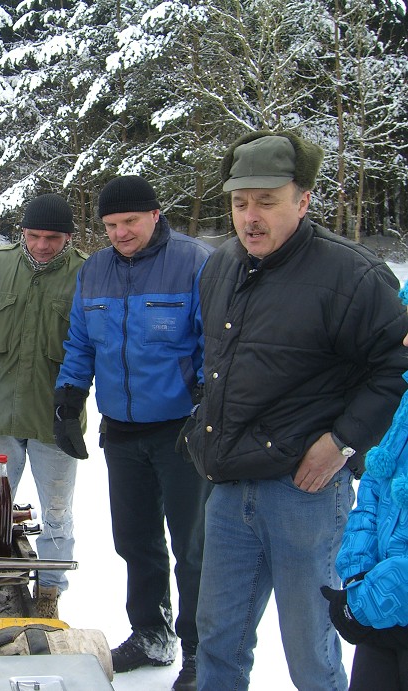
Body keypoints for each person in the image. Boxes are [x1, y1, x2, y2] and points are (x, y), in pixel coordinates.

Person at [181, 131, 408, 691]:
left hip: (306, 493)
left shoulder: (353, 276)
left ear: (303, 200)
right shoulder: (220, 266)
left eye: (266, 201)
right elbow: (216, 361)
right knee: (217, 642)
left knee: (310, 653)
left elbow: (394, 369)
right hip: (229, 488)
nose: (250, 217)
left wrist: (343, 442)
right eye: (240, 202)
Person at [54, 176, 212, 691]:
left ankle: (200, 650)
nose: (120, 233)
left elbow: (214, 343)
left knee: (193, 547)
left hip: (181, 429)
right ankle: (151, 633)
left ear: (156, 214)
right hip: (121, 429)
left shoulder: (194, 262)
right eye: (110, 225)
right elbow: (82, 341)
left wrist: (208, 407)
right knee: (135, 540)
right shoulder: (95, 270)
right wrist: (69, 398)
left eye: (130, 222)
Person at [0, 193, 87, 617]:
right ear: (21, 232)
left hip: (53, 419)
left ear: (69, 237)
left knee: (57, 512)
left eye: (53, 238)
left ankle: (50, 592)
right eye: (33, 235)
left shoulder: (87, 274)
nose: (42, 245)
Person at [322, 287, 408, 690]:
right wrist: (358, 572)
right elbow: (375, 483)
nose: (405, 341)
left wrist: (369, 599)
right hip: (384, 612)